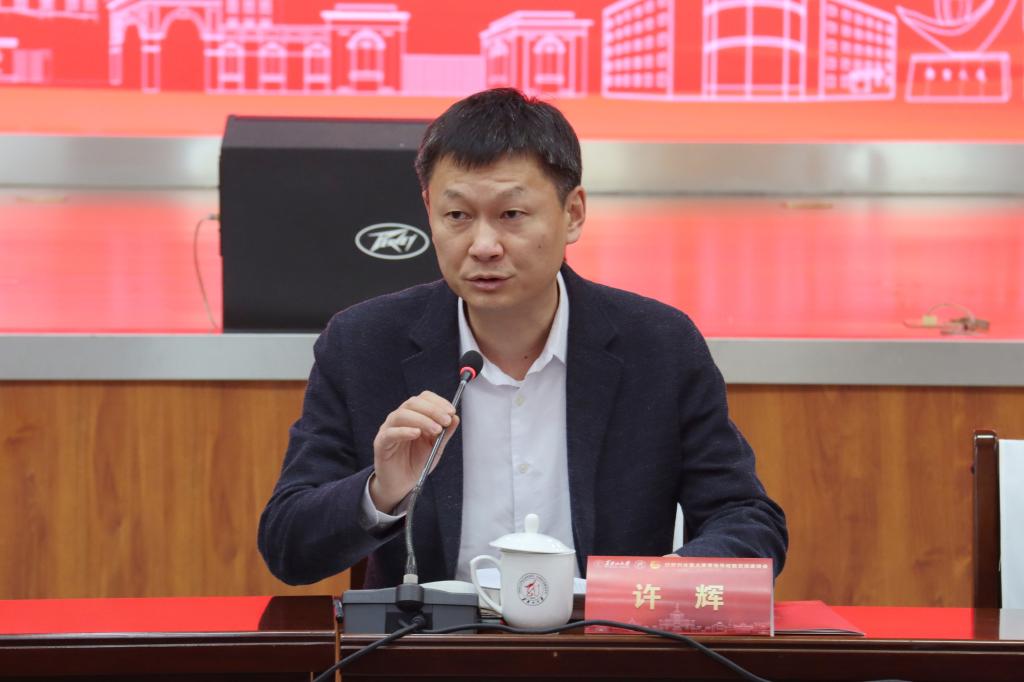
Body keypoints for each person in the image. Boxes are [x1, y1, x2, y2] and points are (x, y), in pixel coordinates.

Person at [258, 88, 787, 588]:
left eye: (511, 215)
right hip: (428, 645)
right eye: (457, 216)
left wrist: (656, 585)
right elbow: (287, 546)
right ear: (429, 213)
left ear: (573, 213)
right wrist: (381, 491)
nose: (483, 245)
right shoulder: (363, 344)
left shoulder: (658, 345)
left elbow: (746, 518)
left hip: (604, 639)